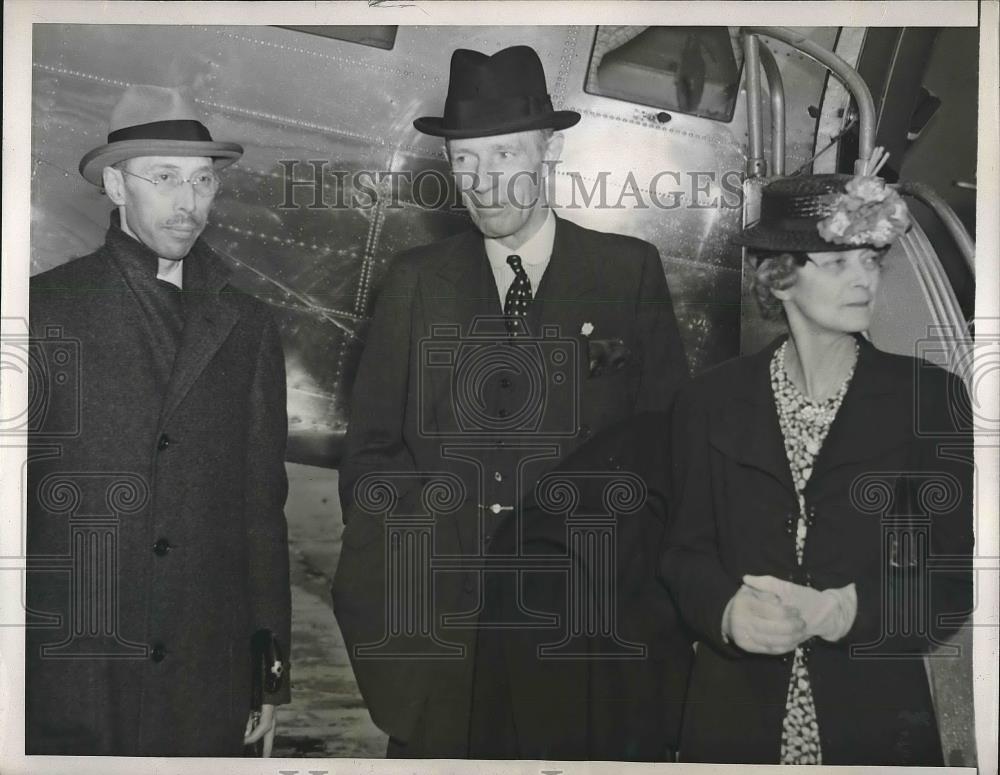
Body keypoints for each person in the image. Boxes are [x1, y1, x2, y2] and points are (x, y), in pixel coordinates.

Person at [333, 45, 690, 759]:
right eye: (465, 160)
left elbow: (665, 453)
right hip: (444, 650)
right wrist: (410, 565)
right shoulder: (415, 282)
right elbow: (371, 455)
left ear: (548, 152)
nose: (484, 182)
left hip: (578, 642)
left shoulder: (627, 275)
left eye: (504, 155)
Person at [661, 172, 974, 765]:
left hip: (875, 723)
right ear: (779, 277)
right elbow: (683, 555)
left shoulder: (929, 400)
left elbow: (953, 581)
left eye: (871, 260)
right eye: (837, 264)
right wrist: (726, 611)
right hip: (733, 722)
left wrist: (846, 611)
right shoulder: (708, 403)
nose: (864, 280)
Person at [26, 85, 291, 756]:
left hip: (206, 675)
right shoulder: (41, 312)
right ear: (118, 186)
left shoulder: (250, 325)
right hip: (78, 671)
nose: (188, 201)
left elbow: (262, 511)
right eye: (165, 177)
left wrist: (267, 672)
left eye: (202, 180)